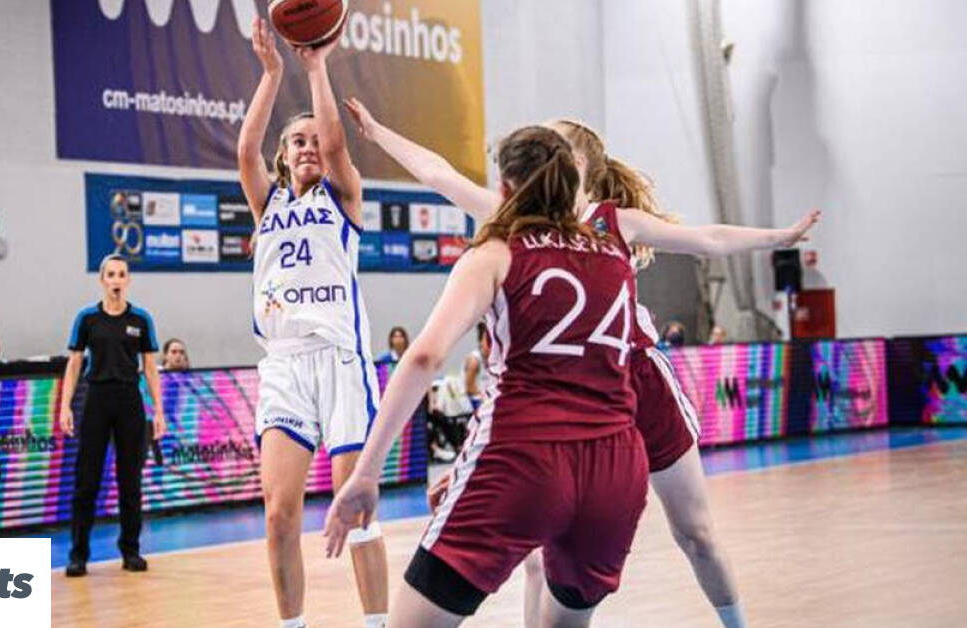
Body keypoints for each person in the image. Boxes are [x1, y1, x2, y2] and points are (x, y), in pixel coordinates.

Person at [341, 101, 818, 628]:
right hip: (575, 412)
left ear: (580, 165)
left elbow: (709, 239)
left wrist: (775, 239)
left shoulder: (607, 224)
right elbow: (438, 174)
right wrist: (379, 132)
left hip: (632, 379)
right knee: (538, 554)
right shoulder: (516, 222)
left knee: (695, 532)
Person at [326, 127, 653, 626]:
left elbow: (423, 358)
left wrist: (367, 472)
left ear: (504, 187)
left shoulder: (498, 252)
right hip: (615, 467)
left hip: (524, 461)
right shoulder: (614, 254)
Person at [236, 18, 387, 628]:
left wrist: (316, 67)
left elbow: (339, 146)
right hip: (284, 365)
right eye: (296, 141)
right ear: (284, 155)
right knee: (279, 515)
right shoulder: (267, 202)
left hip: (340, 359)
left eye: (313, 140)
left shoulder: (343, 196)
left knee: (356, 511)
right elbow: (245, 151)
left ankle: (377, 623)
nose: (307, 147)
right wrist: (273, 73)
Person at [59, 253, 166, 577]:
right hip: (96, 399)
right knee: (86, 480)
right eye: (111, 275)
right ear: (102, 280)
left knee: (130, 480)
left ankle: (130, 550)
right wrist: (65, 405)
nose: (116, 280)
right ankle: (78, 555)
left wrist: (159, 411)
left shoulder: (141, 319)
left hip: (129, 401)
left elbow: (150, 368)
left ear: (127, 280)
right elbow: (74, 363)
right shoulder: (87, 318)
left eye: (121, 274)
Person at [462, 322, 491, 413]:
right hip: (471, 403)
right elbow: (469, 388)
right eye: (489, 342)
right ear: (481, 342)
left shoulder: (493, 360)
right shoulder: (474, 360)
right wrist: (486, 399)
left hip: (485, 400)